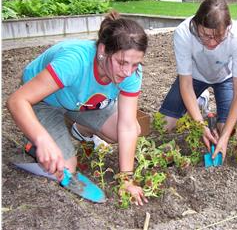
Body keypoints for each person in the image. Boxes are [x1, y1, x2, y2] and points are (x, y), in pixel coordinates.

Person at [7, 11, 149, 206]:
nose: (128, 72)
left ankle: (78, 128)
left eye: (135, 64)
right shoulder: (74, 62)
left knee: (133, 130)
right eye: (122, 62)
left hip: (80, 103)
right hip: (43, 101)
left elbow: (127, 125)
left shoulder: (132, 73)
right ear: (102, 50)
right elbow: (16, 101)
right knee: (65, 168)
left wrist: (127, 180)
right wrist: (44, 139)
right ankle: (35, 138)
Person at [159, 0, 237, 160]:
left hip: (225, 78)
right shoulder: (183, 33)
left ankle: (210, 115)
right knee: (163, 126)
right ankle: (200, 101)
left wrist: (223, 138)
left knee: (228, 131)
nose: (211, 42)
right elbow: (186, 85)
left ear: (228, 28)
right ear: (196, 24)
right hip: (194, 78)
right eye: (205, 35)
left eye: (218, 36)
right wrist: (200, 125)